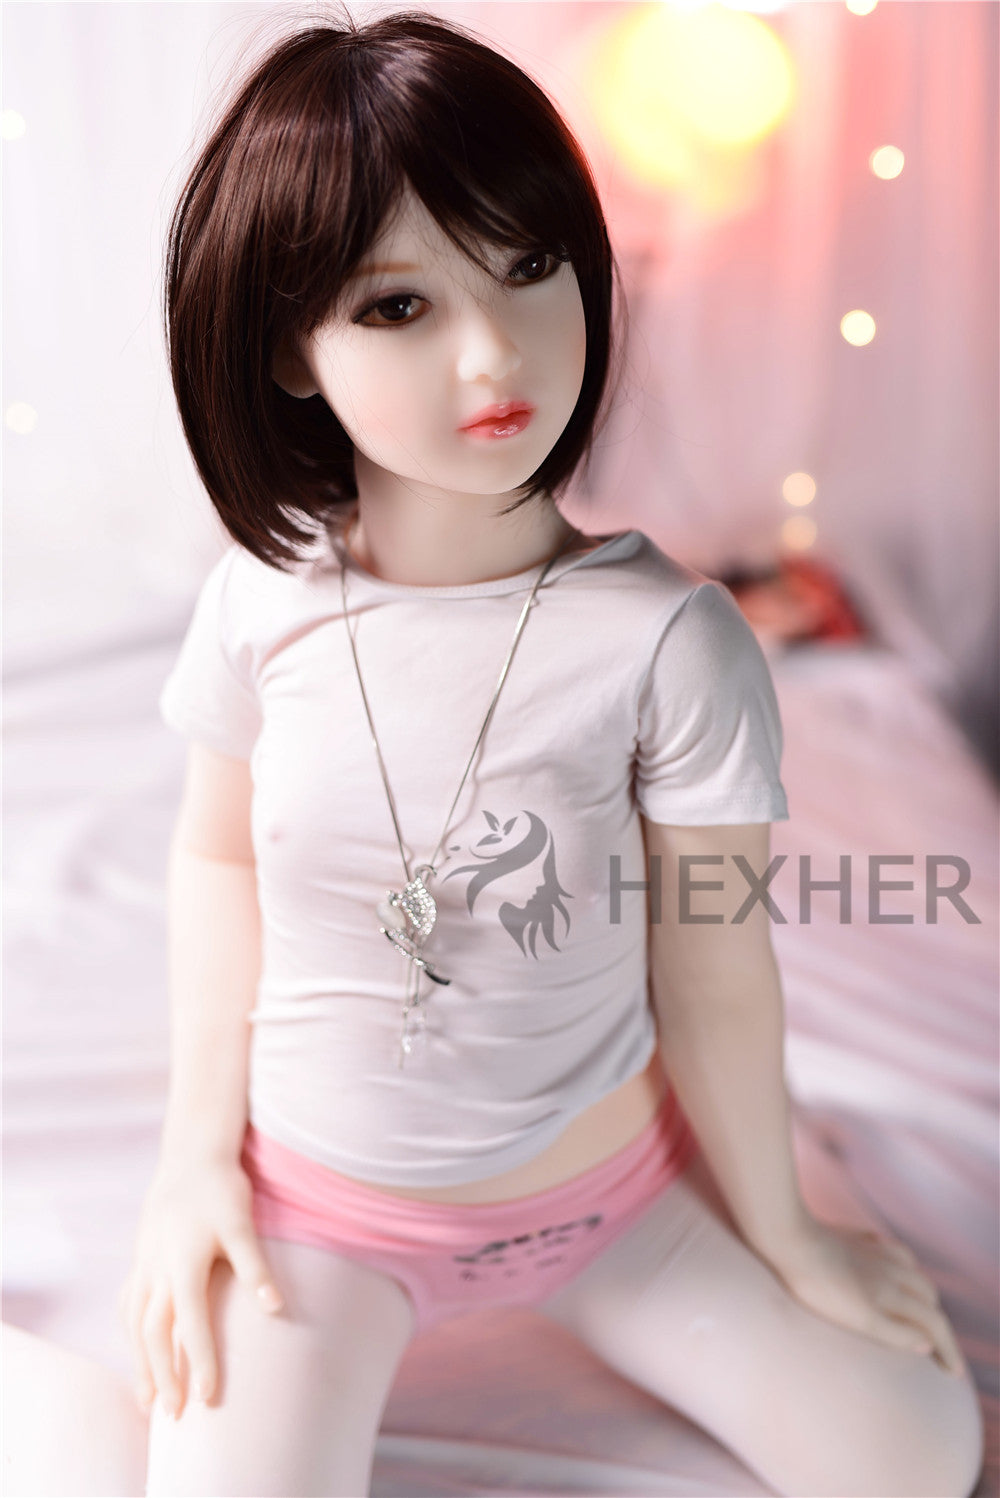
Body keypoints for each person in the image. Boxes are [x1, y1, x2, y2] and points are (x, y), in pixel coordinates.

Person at [119, 12, 984, 1496]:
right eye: (399, 305)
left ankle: (793, 1173)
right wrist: (194, 1153)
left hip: (615, 1202)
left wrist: (784, 1230)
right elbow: (213, 856)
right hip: (323, 1217)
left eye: (528, 267)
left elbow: (716, 960)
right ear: (289, 350)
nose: (494, 352)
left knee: (917, 1455)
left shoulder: (673, 641)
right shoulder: (262, 607)